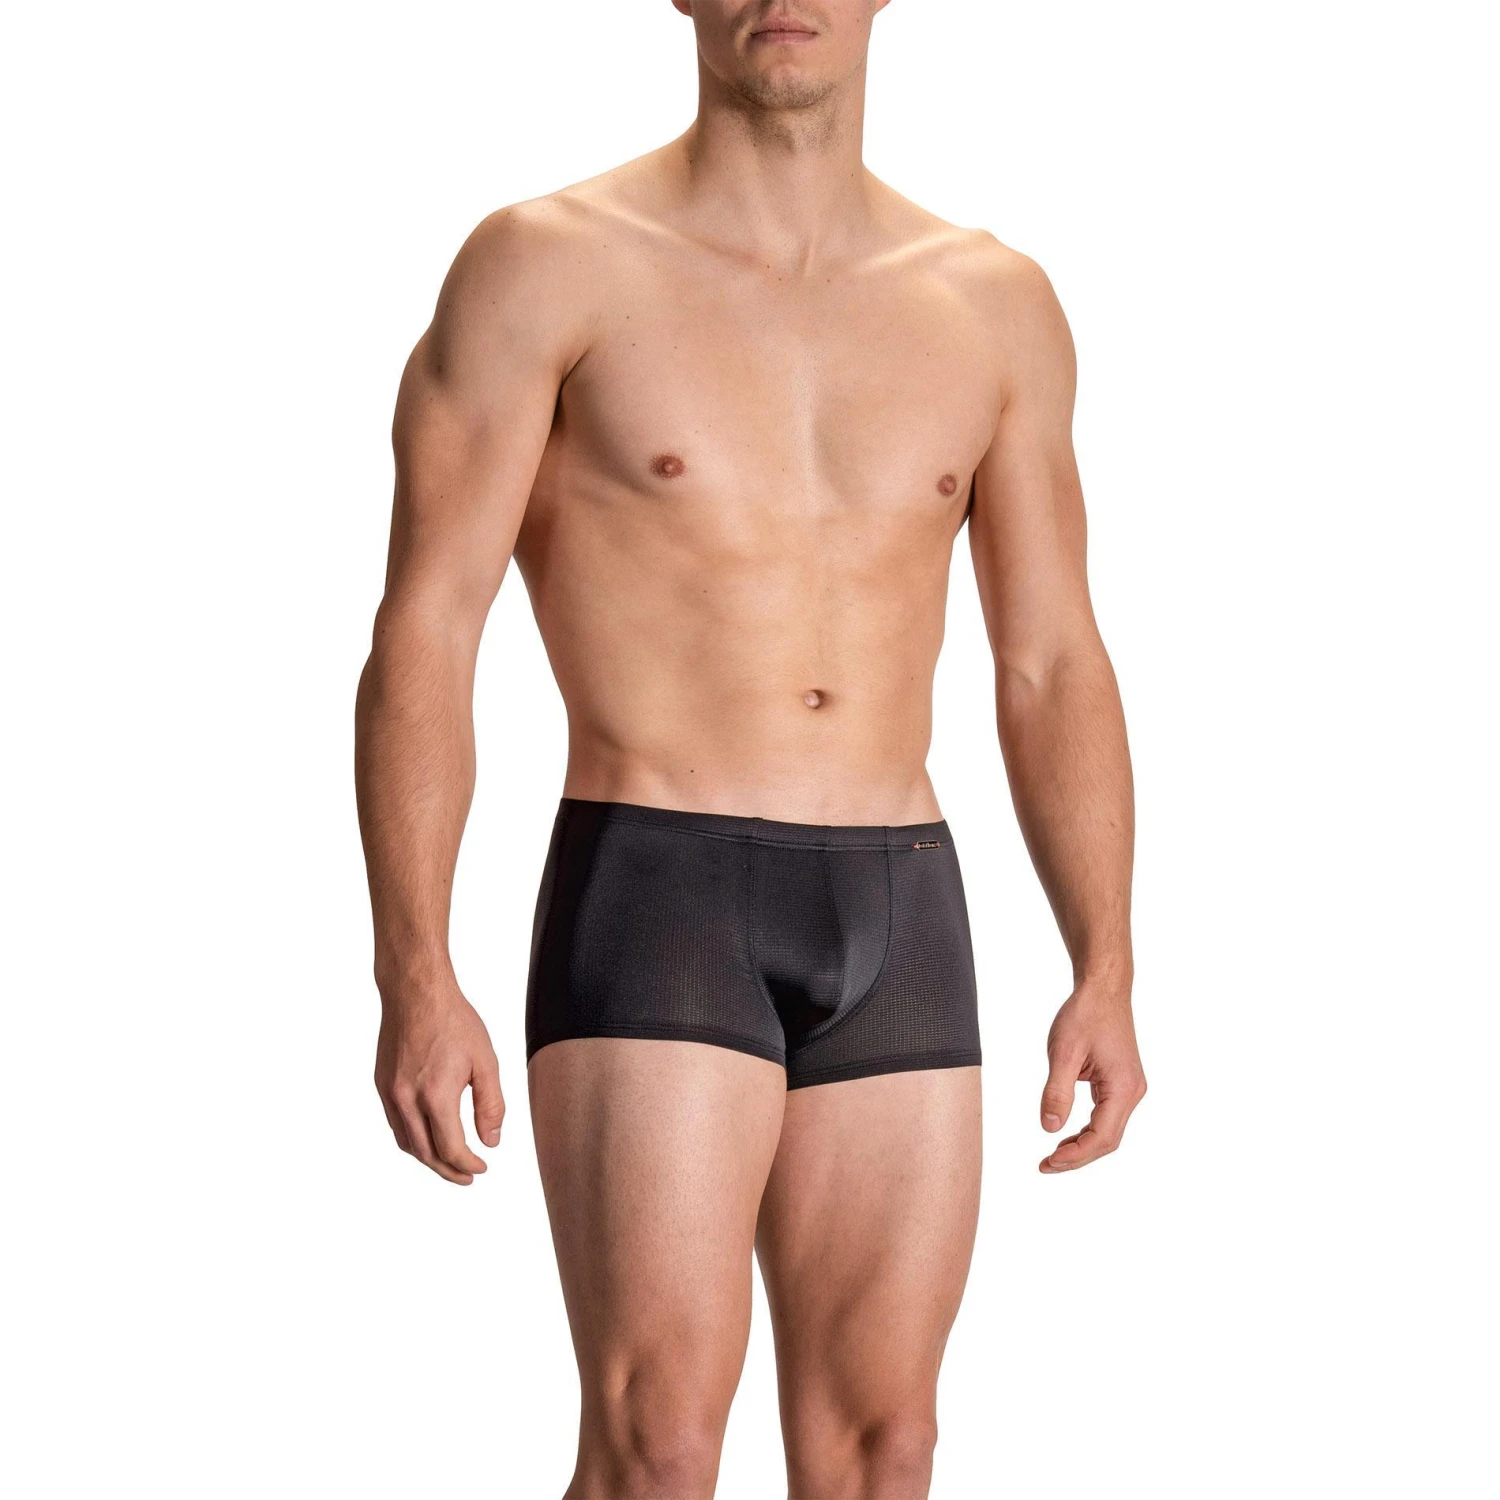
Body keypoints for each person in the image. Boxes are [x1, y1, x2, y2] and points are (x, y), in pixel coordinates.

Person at [354, 2, 1146, 1494]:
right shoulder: (546, 265)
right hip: (659, 885)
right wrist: (415, 966)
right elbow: (428, 629)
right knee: (657, 1443)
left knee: (885, 1445)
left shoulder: (994, 302)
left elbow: (1050, 658)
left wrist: (1104, 959)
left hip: (902, 898)